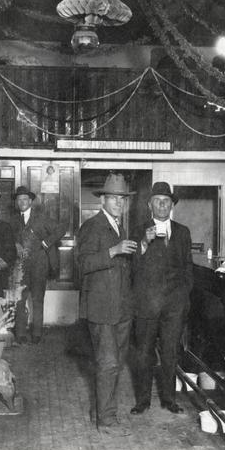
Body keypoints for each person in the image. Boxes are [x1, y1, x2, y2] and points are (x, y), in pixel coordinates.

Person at [76, 174, 137, 436]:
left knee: (114, 364)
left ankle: (100, 412)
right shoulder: (92, 226)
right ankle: (106, 420)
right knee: (108, 363)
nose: (119, 204)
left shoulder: (118, 227)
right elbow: (82, 264)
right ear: (103, 199)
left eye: (122, 199)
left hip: (121, 309)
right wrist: (113, 251)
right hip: (101, 309)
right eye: (113, 198)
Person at [130, 182, 193, 416]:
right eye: (158, 200)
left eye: (167, 201)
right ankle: (142, 401)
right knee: (144, 353)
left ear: (172, 206)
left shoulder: (183, 232)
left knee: (170, 353)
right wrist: (144, 243)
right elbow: (131, 268)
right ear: (149, 205)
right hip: (147, 304)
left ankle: (169, 400)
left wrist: (184, 297)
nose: (163, 204)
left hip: (174, 306)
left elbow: (188, 268)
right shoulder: (138, 231)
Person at [10, 186, 65, 345]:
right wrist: (15, 244)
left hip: (40, 264)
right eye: (19, 199)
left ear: (31, 201)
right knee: (19, 300)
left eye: (25, 199)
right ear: (16, 202)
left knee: (37, 299)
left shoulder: (41, 218)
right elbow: (9, 237)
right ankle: (20, 334)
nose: (22, 202)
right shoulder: (13, 220)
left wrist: (46, 243)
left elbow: (61, 229)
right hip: (20, 267)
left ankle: (37, 334)